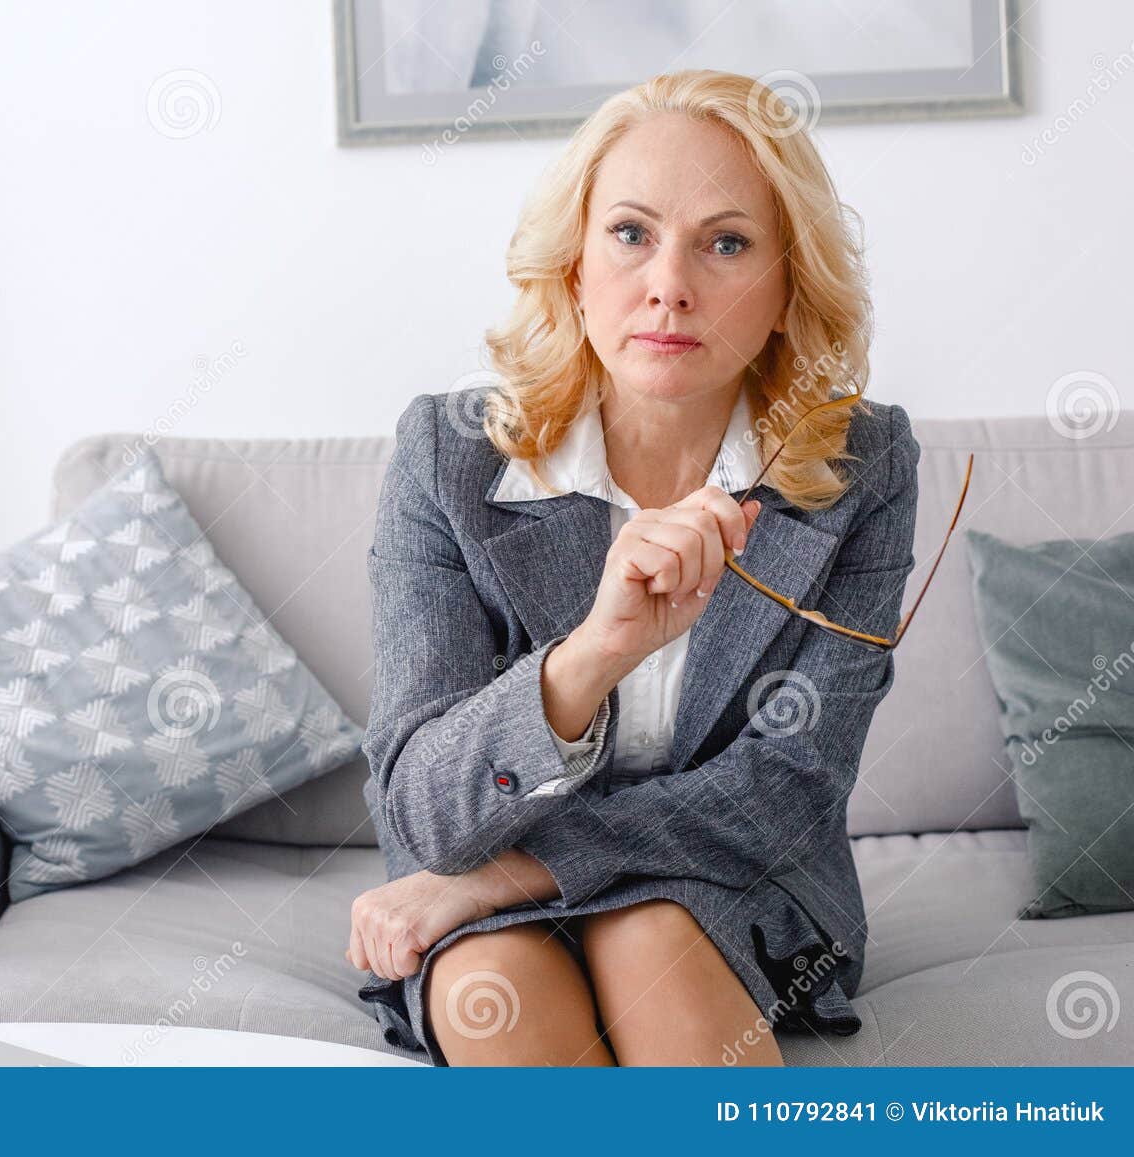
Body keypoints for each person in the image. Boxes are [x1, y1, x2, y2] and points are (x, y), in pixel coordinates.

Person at [346, 69, 921, 1067]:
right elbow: (425, 810)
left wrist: (501, 876)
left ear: (789, 287)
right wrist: (596, 650)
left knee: (645, 933)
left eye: (726, 242)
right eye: (629, 233)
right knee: (494, 987)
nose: (669, 284)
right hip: (477, 871)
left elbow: (784, 792)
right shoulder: (450, 457)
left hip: (726, 880)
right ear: (572, 263)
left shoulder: (861, 467)